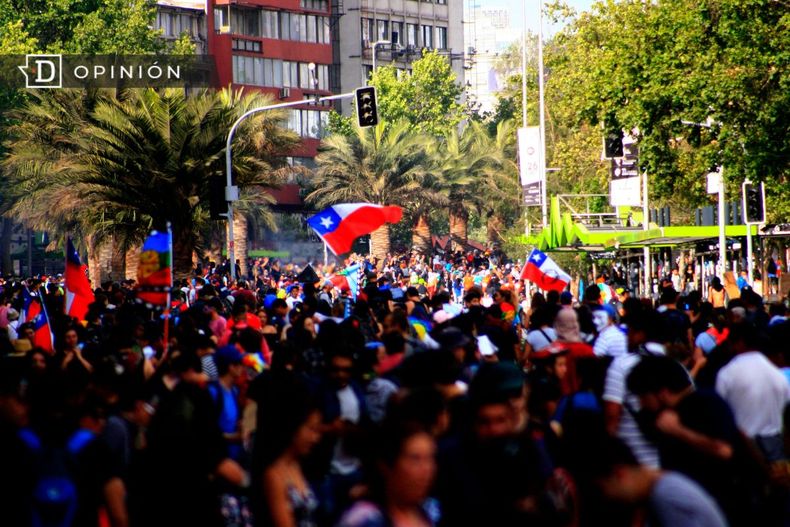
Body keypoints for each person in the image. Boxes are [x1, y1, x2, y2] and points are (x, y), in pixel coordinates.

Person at [585, 437, 728, 527]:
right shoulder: (663, 487)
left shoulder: (665, 494)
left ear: (620, 473)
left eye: (603, 489)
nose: (608, 497)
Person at [715, 322, 790, 462]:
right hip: (775, 445)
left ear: (739, 343)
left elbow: (720, 412)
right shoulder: (777, 373)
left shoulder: (728, 373)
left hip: (742, 447)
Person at [337, 424, 438, 527]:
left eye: (430, 458)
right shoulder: (364, 519)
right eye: (415, 459)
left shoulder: (431, 512)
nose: (426, 469)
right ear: (387, 466)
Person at [258, 388, 323, 527]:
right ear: (293, 427)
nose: (315, 438)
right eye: (311, 429)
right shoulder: (274, 475)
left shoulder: (296, 465)